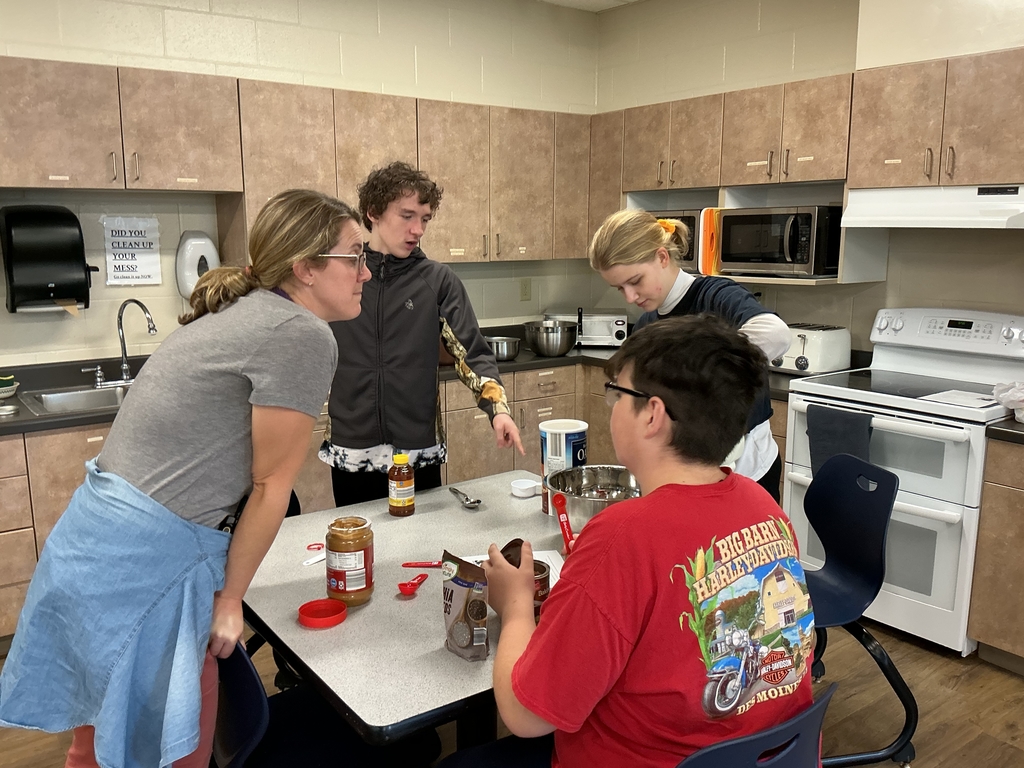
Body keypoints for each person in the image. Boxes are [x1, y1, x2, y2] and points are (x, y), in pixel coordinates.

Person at [0, 189, 370, 768]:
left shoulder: (240, 311)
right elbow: (272, 485)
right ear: (305, 267)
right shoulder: (299, 333)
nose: (366, 272)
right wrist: (229, 601)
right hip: (147, 566)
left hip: (91, 551)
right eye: (354, 256)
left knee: (96, 743)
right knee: (169, 750)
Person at [439, 315, 816, 768]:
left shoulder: (623, 536)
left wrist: (516, 607)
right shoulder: (765, 506)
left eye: (617, 393)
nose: (611, 405)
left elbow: (524, 715)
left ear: (652, 415)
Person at [320, 161, 523, 505]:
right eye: (407, 216)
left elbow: (471, 352)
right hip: (352, 451)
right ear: (373, 212)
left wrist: (498, 409)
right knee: (360, 552)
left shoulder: (438, 281)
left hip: (417, 452)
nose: (418, 229)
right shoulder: (340, 275)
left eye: (425, 219)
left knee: (420, 546)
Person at [589, 209, 791, 502]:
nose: (630, 297)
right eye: (620, 288)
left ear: (661, 257)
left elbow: (775, 333)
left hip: (748, 472)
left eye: (635, 281)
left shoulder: (715, 296)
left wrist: (704, 371)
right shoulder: (648, 323)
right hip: (688, 477)